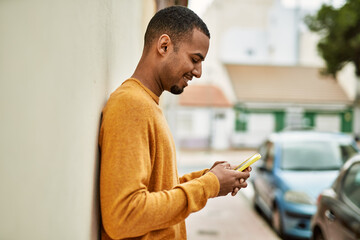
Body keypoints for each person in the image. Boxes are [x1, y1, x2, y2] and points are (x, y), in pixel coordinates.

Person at [99, 5, 251, 240]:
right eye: (195, 59)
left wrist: (208, 178)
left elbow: (157, 191)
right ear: (164, 46)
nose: (199, 72)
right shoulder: (131, 105)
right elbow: (123, 216)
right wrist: (209, 185)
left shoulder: (147, 104)